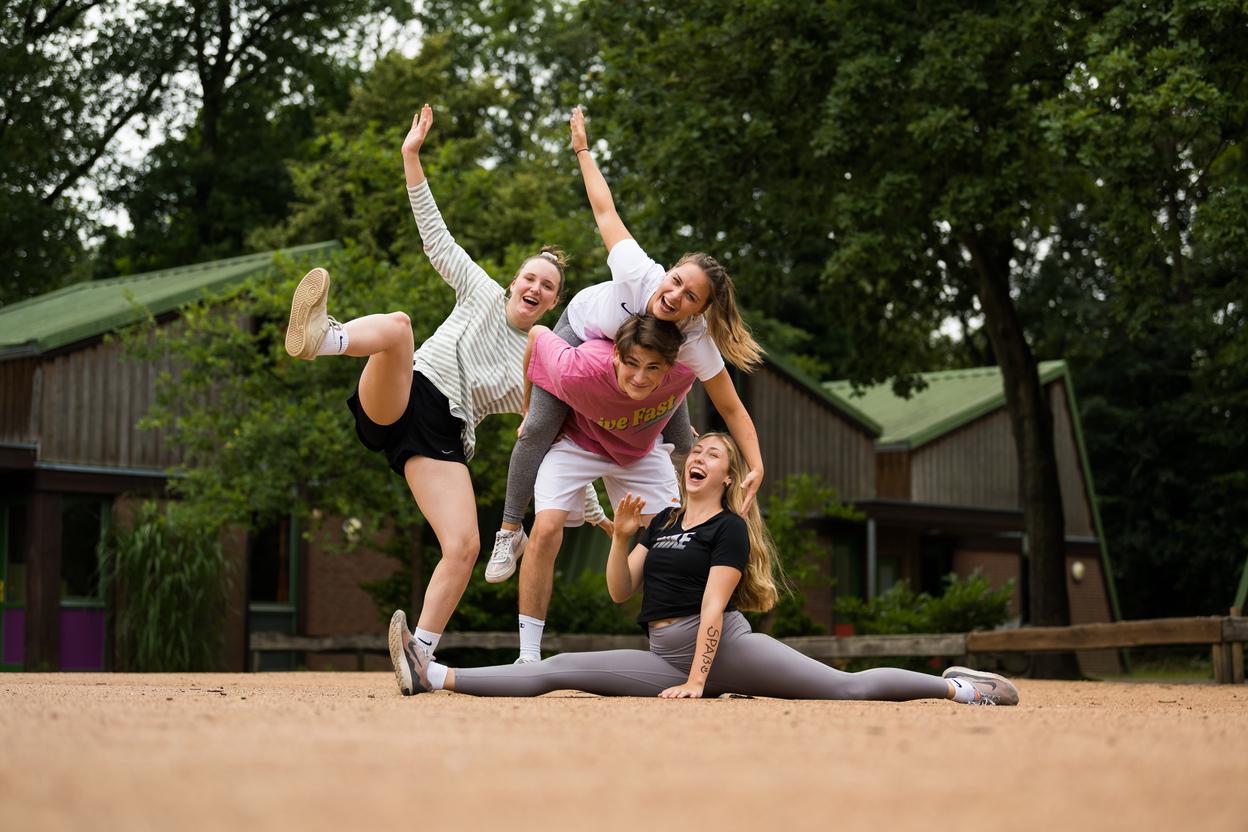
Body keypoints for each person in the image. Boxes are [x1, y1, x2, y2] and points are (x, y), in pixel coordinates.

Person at [284, 104, 606, 664]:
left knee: (465, 546)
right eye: (531, 276)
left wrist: (595, 505)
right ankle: (323, 339)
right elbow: (435, 235)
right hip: (402, 393)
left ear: (553, 304)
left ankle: (420, 657)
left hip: (442, 437)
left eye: (548, 287)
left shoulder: (540, 361)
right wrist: (411, 156)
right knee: (400, 327)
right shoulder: (479, 289)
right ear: (513, 282)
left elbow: (558, 434)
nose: (536, 287)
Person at [389, 432, 1020, 706]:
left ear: (727, 476)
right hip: (661, 652)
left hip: (721, 651)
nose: (699, 457)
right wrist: (622, 539)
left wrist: (699, 681)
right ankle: (432, 672)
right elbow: (618, 594)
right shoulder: (662, 520)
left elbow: (715, 607)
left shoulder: (728, 528)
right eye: (697, 451)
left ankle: (963, 688)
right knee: (556, 670)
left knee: (841, 687)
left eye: (713, 455)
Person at [486, 106, 767, 591]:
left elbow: (732, 407)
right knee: (537, 427)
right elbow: (604, 208)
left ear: (699, 311)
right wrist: (581, 148)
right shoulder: (640, 273)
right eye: (676, 282)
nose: (674, 296)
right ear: (670, 271)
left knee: (683, 441)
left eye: (689, 297)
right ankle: (510, 529)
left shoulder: (695, 340)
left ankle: (692, 536)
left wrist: (756, 463)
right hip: (584, 332)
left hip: (644, 363)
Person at [509, 313, 695, 662]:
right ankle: (528, 655)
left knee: (674, 536)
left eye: (653, 368)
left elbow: (699, 401)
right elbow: (536, 336)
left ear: (669, 366)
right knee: (546, 527)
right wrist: (528, 412)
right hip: (578, 443)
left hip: (641, 450)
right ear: (615, 356)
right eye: (631, 364)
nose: (640, 378)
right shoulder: (578, 367)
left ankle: (685, 645)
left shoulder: (686, 369)